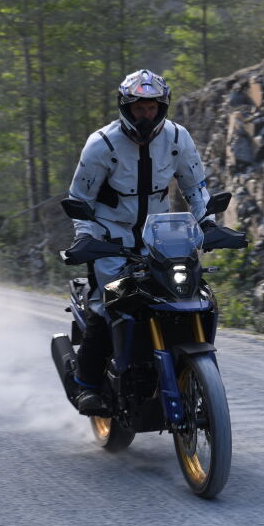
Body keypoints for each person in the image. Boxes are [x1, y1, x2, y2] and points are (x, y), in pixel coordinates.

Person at [66, 69, 215, 414]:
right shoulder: (101, 144)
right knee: (110, 305)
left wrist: (209, 223)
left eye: (151, 107)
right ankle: (86, 384)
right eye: (138, 108)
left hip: (159, 239)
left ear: (162, 107)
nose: (145, 114)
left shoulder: (178, 138)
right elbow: (80, 200)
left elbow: (196, 189)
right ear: (126, 107)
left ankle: (184, 371)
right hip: (111, 242)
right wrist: (86, 238)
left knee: (194, 295)